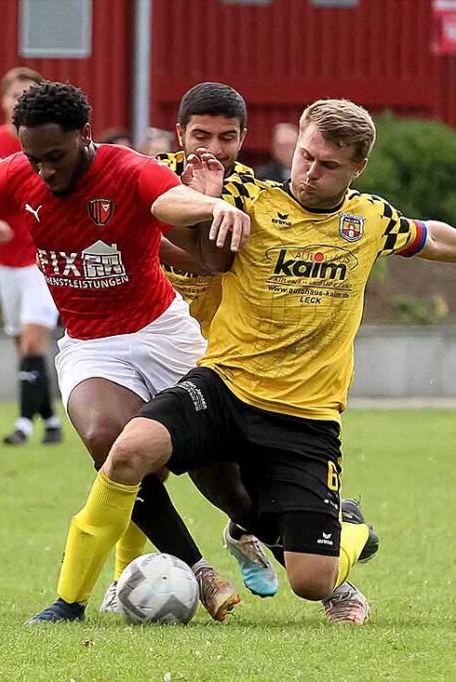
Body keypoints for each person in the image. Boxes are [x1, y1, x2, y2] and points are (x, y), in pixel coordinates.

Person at [28, 98, 456, 625]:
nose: (310, 172)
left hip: (306, 417)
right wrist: (202, 201)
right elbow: (165, 209)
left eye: (328, 165)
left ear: (357, 168)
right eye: (305, 156)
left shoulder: (368, 220)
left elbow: (429, 236)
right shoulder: (249, 196)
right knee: (128, 448)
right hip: (224, 386)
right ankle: (68, 604)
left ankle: (351, 528)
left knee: (310, 580)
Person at [0, 81, 250, 623]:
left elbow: (167, 199)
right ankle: (196, 572)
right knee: (108, 439)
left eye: (56, 157)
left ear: (85, 135)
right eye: (34, 158)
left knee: (229, 484)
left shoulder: (126, 168)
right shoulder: (18, 172)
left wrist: (207, 202)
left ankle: (319, 533)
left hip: (165, 334)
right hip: (92, 346)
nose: (44, 171)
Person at [95, 83, 281, 614]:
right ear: (180, 134)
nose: (213, 148)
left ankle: (246, 533)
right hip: (148, 340)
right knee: (132, 459)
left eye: (227, 137)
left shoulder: (257, 194)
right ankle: (124, 581)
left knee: (231, 474)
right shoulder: (151, 178)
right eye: (201, 134)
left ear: (244, 140)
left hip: (220, 352)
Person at [0, 66, 61, 446]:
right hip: (5, 261)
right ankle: (52, 420)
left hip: (43, 261)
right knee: (22, 348)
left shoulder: (52, 146)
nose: (19, 102)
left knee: (33, 343)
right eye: (14, 95)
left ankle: (24, 425)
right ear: (3, 101)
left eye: (28, 96)